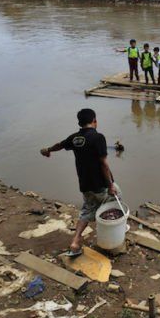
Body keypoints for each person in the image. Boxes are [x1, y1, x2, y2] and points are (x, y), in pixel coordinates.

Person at [39, 108, 117, 257]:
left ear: (79, 123)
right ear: (95, 121)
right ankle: (111, 235)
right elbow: (103, 164)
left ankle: (75, 242)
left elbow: (60, 145)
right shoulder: (98, 137)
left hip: (85, 183)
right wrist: (110, 185)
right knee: (115, 201)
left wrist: (47, 150)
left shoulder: (74, 138)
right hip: (100, 183)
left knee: (87, 210)